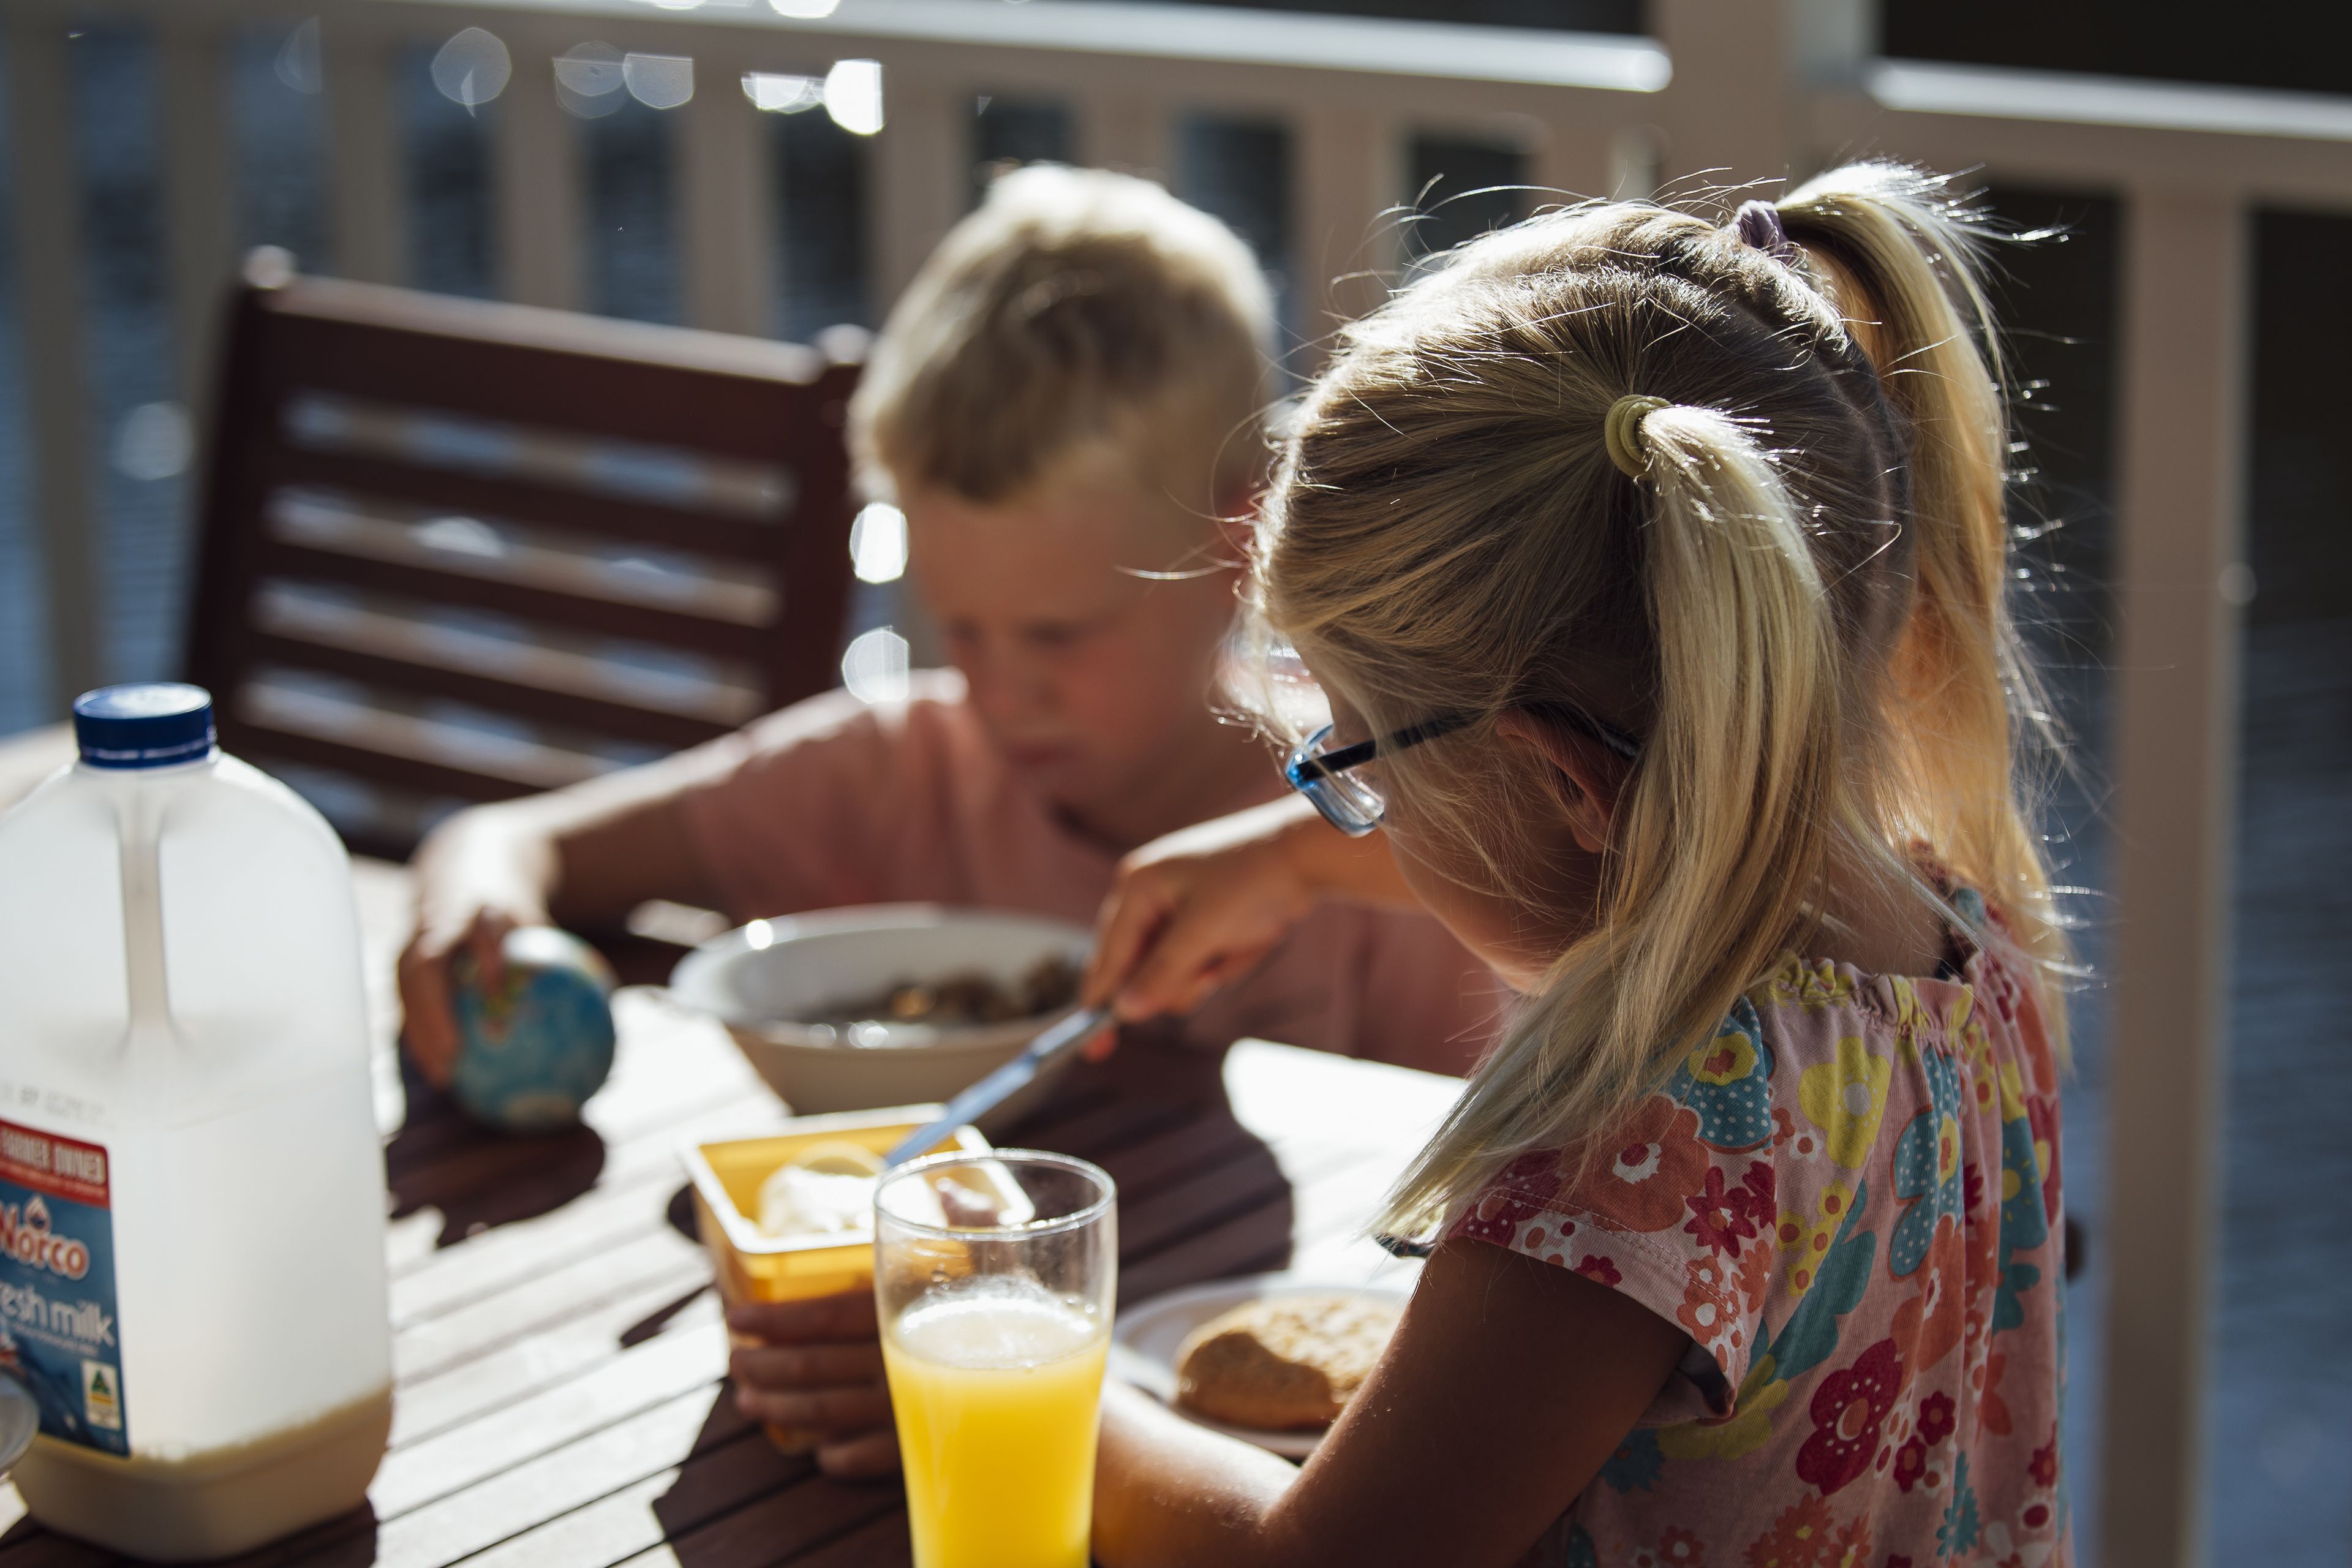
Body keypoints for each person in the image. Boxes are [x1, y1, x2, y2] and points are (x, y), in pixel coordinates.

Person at [758, 164, 2080, 1566]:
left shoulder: (1630, 1156)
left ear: (1562, 777)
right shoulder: (1965, 948)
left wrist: (1008, 1358)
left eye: (1349, 759)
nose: (1343, 800)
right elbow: (1676, 840)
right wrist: (1297, 858)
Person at [396, 165, 1502, 1098]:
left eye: (1059, 634)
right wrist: (478, 903)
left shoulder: (1387, 837)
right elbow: (514, 842)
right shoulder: (897, 768)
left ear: (1243, 538)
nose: (1003, 692)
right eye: (962, 627)